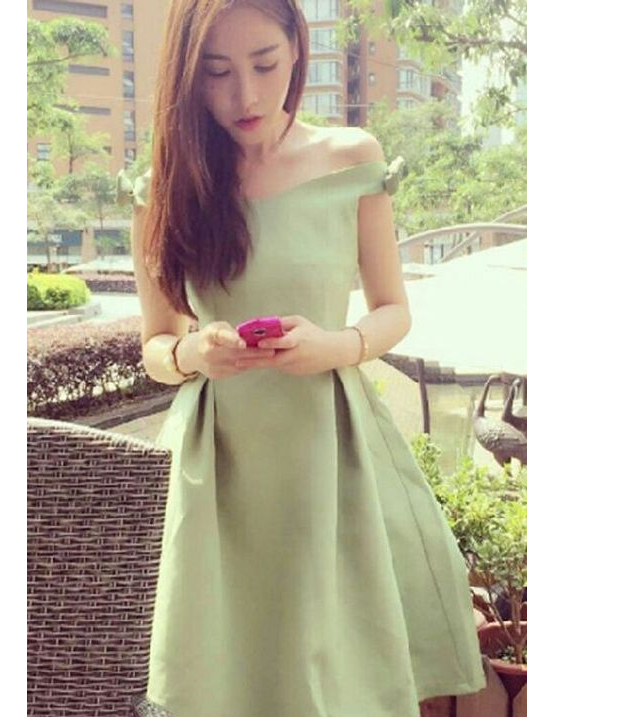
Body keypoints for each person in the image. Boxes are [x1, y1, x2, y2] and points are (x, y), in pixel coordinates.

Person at [124, 1, 487, 715]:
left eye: (264, 64)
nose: (246, 95)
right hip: (218, 460)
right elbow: (155, 348)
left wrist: (334, 345)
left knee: (336, 669)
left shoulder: (351, 159)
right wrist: (194, 351)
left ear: (297, 48)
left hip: (328, 446)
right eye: (217, 73)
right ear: (187, 77)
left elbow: (392, 308)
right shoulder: (166, 183)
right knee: (226, 672)